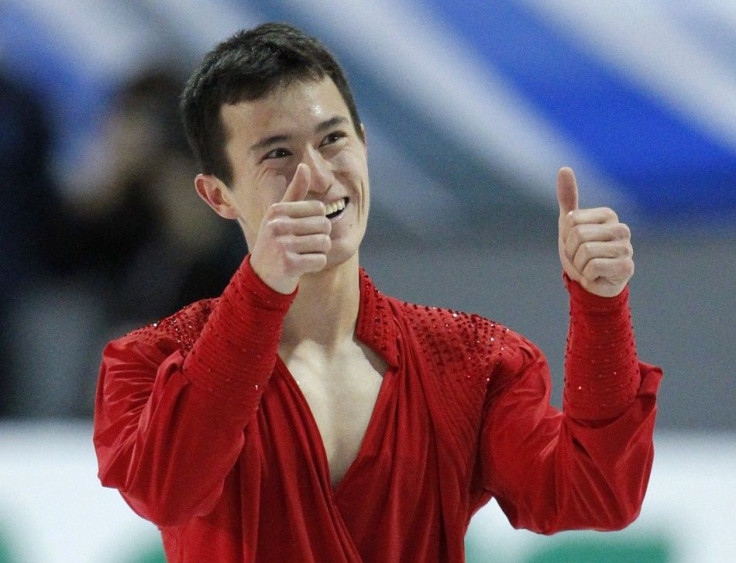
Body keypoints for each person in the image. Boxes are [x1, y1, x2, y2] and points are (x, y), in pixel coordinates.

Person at [93, 22, 662, 562]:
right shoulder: (151, 362)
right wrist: (262, 290)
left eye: (332, 139)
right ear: (218, 196)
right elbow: (167, 488)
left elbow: (596, 492)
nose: (317, 175)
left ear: (364, 145)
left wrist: (600, 307)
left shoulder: (470, 362)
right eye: (277, 153)